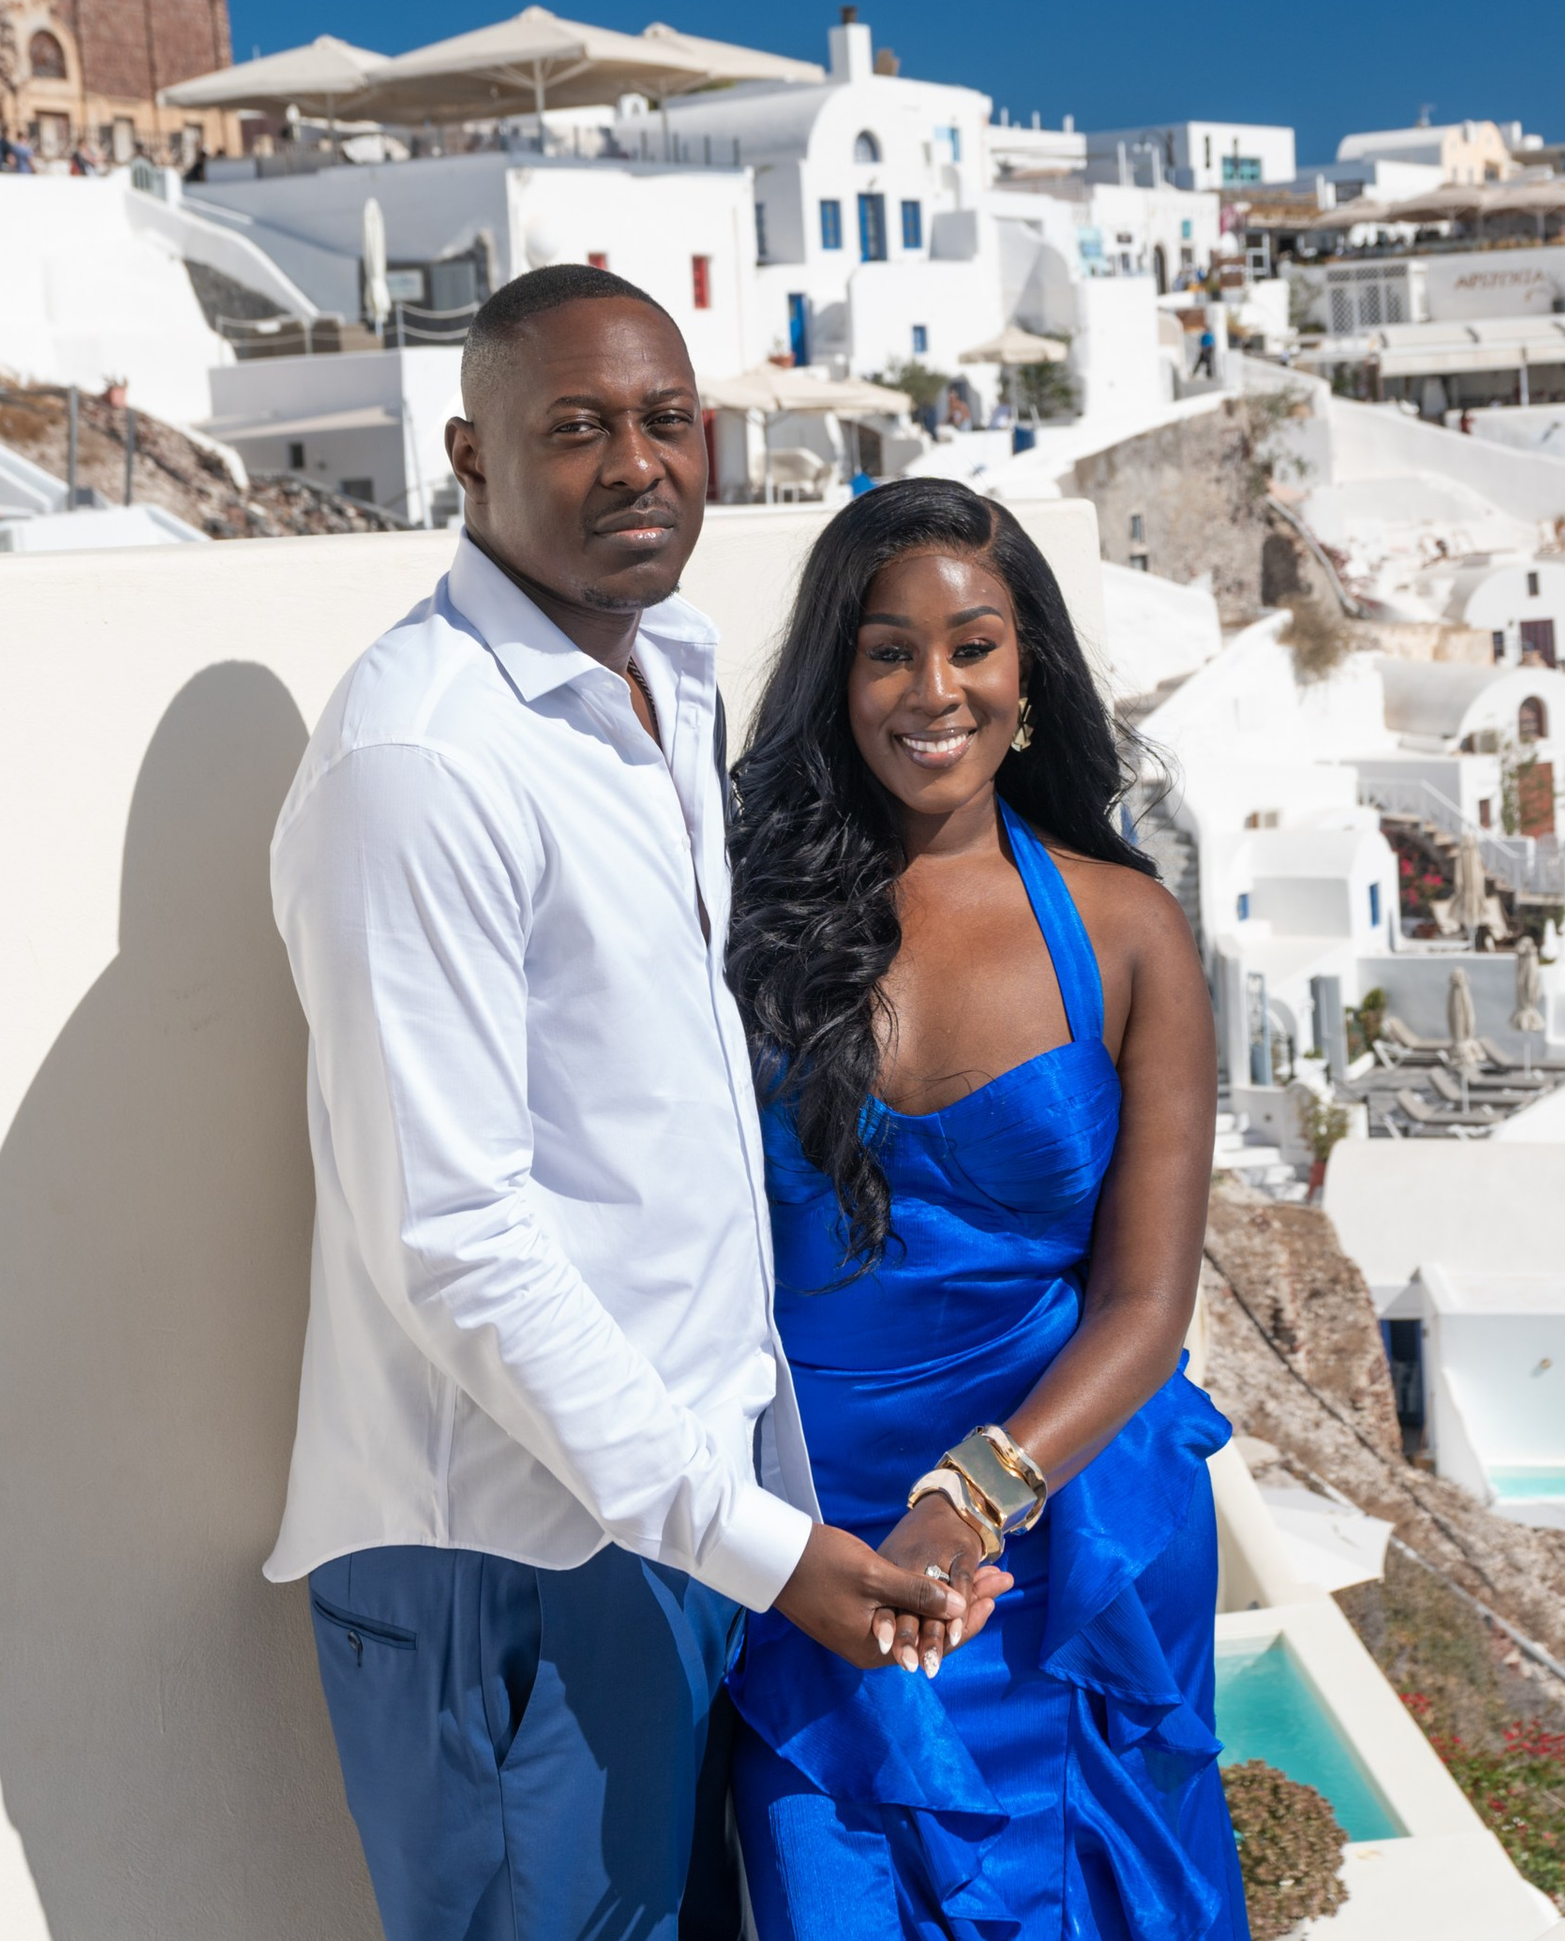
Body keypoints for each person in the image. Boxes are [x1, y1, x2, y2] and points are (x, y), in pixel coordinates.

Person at [265, 265, 967, 1941]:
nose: (638, 463)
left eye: (667, 421)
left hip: (674, 1520)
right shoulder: (424, 763)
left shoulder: (669, 677)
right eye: (578, 427)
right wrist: (759, 1546)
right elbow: (453, 1236)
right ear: (469, 456)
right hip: (514, 1560)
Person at [723, 479, 1243, 1939]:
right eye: (888, 651)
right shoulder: (738, 925)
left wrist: (976, 1493)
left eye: (972, 647)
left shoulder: (1128, 933)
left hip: (1063, 1542)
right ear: (837, 679)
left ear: (1031, 672)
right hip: (817, 1551)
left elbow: (1148, 1304)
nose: (933, 690)